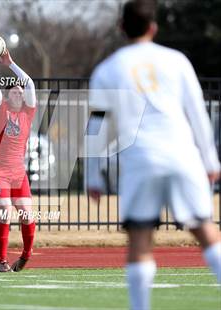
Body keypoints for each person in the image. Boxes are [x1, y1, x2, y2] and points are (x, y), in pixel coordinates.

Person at [87, 1, 221, 309]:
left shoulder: (107, 70)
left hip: (140, 161)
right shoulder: (177, 61)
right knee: (205, 229)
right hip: (182, 156)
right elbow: (197, 114)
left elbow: (96, 127)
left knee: (140, 239)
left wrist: (95, 175)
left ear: (121, 27)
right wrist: (211, 161)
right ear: (153, 27)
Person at [0, 48, 37, 272]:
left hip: (18, 172)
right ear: (7, 97)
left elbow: (30, 83)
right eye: (14, 91)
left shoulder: (28, 113)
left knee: (26, 214)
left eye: (20, 91)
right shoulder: (0, 109)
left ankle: (25, 255)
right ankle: (1, 261)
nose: (19, 92)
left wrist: (10, 62)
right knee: (5, 210)